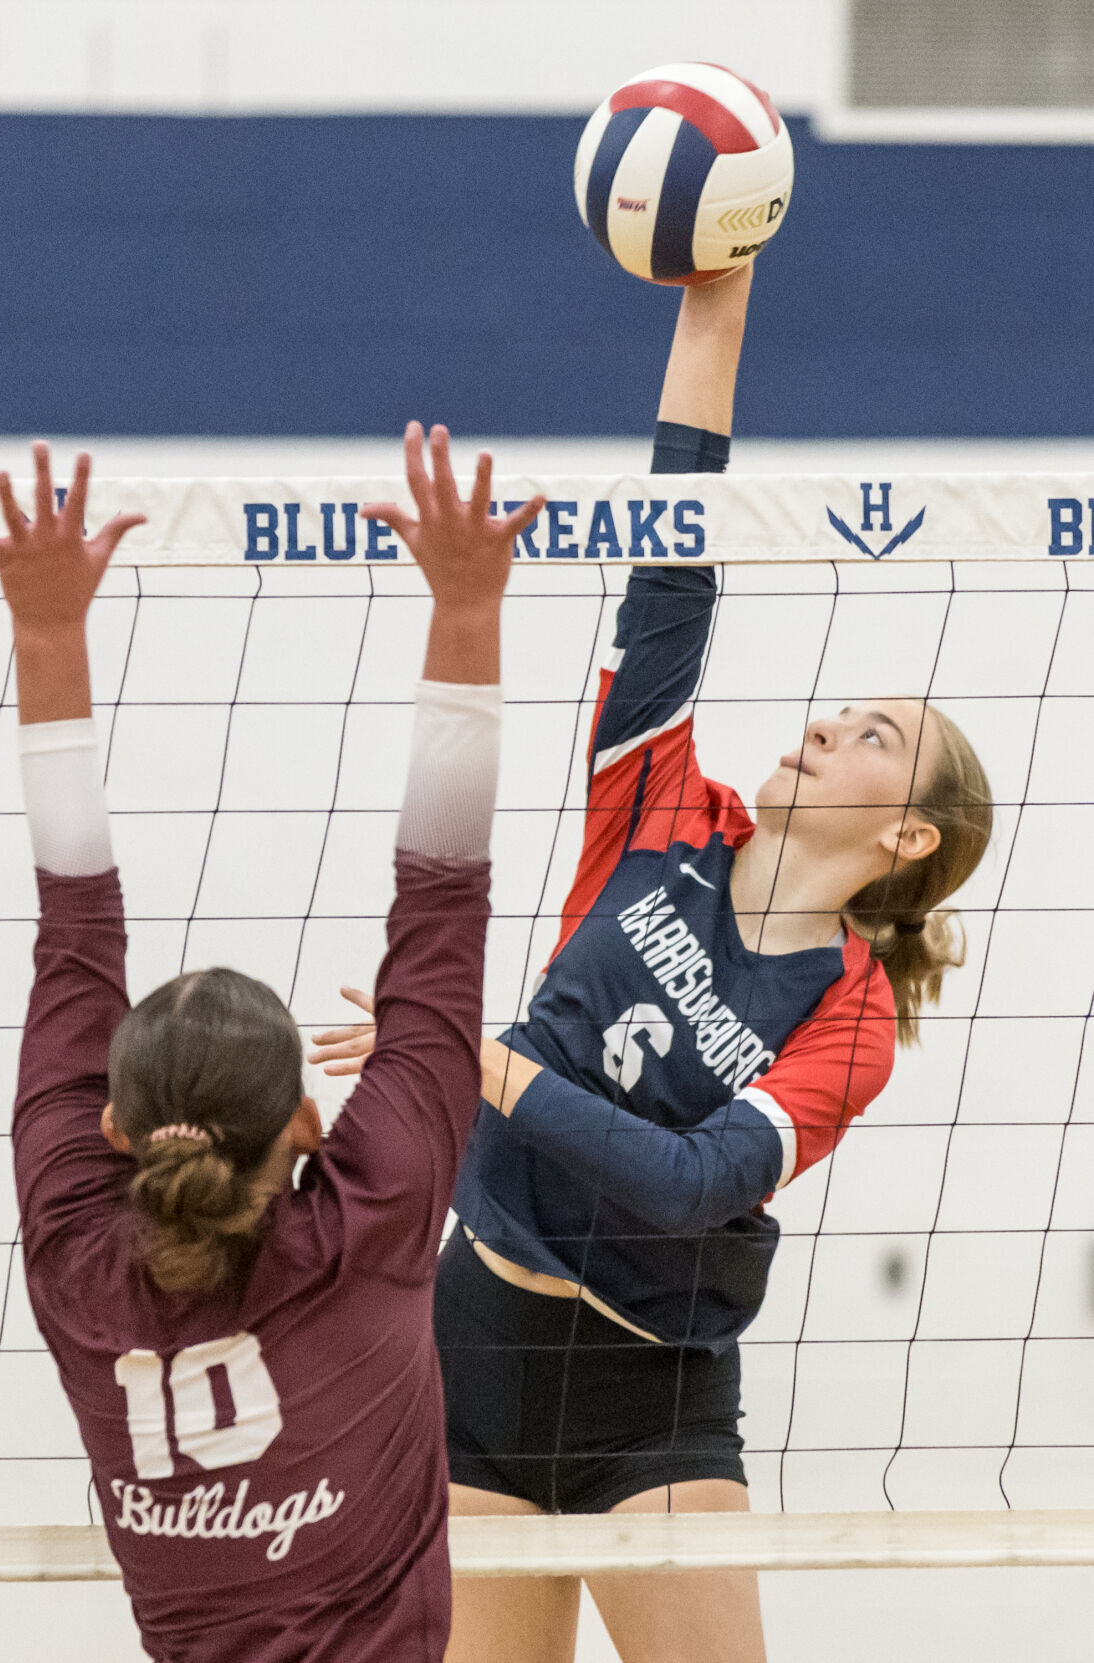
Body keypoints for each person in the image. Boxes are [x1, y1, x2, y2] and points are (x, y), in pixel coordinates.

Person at [308, 265, 995, 1663]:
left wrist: (480, 1062)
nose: (824, 727)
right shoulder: (659, 804)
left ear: (907, 833)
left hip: (653, 1394)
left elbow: (694, 1186)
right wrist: (711, 308)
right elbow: (671, 559)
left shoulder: (847, 1017)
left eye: (871, 735)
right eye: (838, 709)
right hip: (475, 1338)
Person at [0, 430, 544, 1663]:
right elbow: (439, 902)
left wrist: (47, 634)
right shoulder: (364, 1223)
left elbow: (73, 936)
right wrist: (468, 608)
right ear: (311, 1128)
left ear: (114, 1129)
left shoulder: (78, 1252)